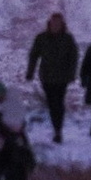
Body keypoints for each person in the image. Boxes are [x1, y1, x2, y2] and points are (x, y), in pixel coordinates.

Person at [25, 13, 78, 143]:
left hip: (62, 78)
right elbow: (34, 55)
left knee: (58, 103)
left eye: (58, 23)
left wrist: (71, 74)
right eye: (54, 23)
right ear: (50, 23)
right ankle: (57, 128)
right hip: (47, 77)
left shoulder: (68, 38)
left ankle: (58, 131)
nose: (56, 25)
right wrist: (30, 72)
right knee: (52, 103)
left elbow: (74, 57)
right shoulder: (41, 38)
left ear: (62, 24)